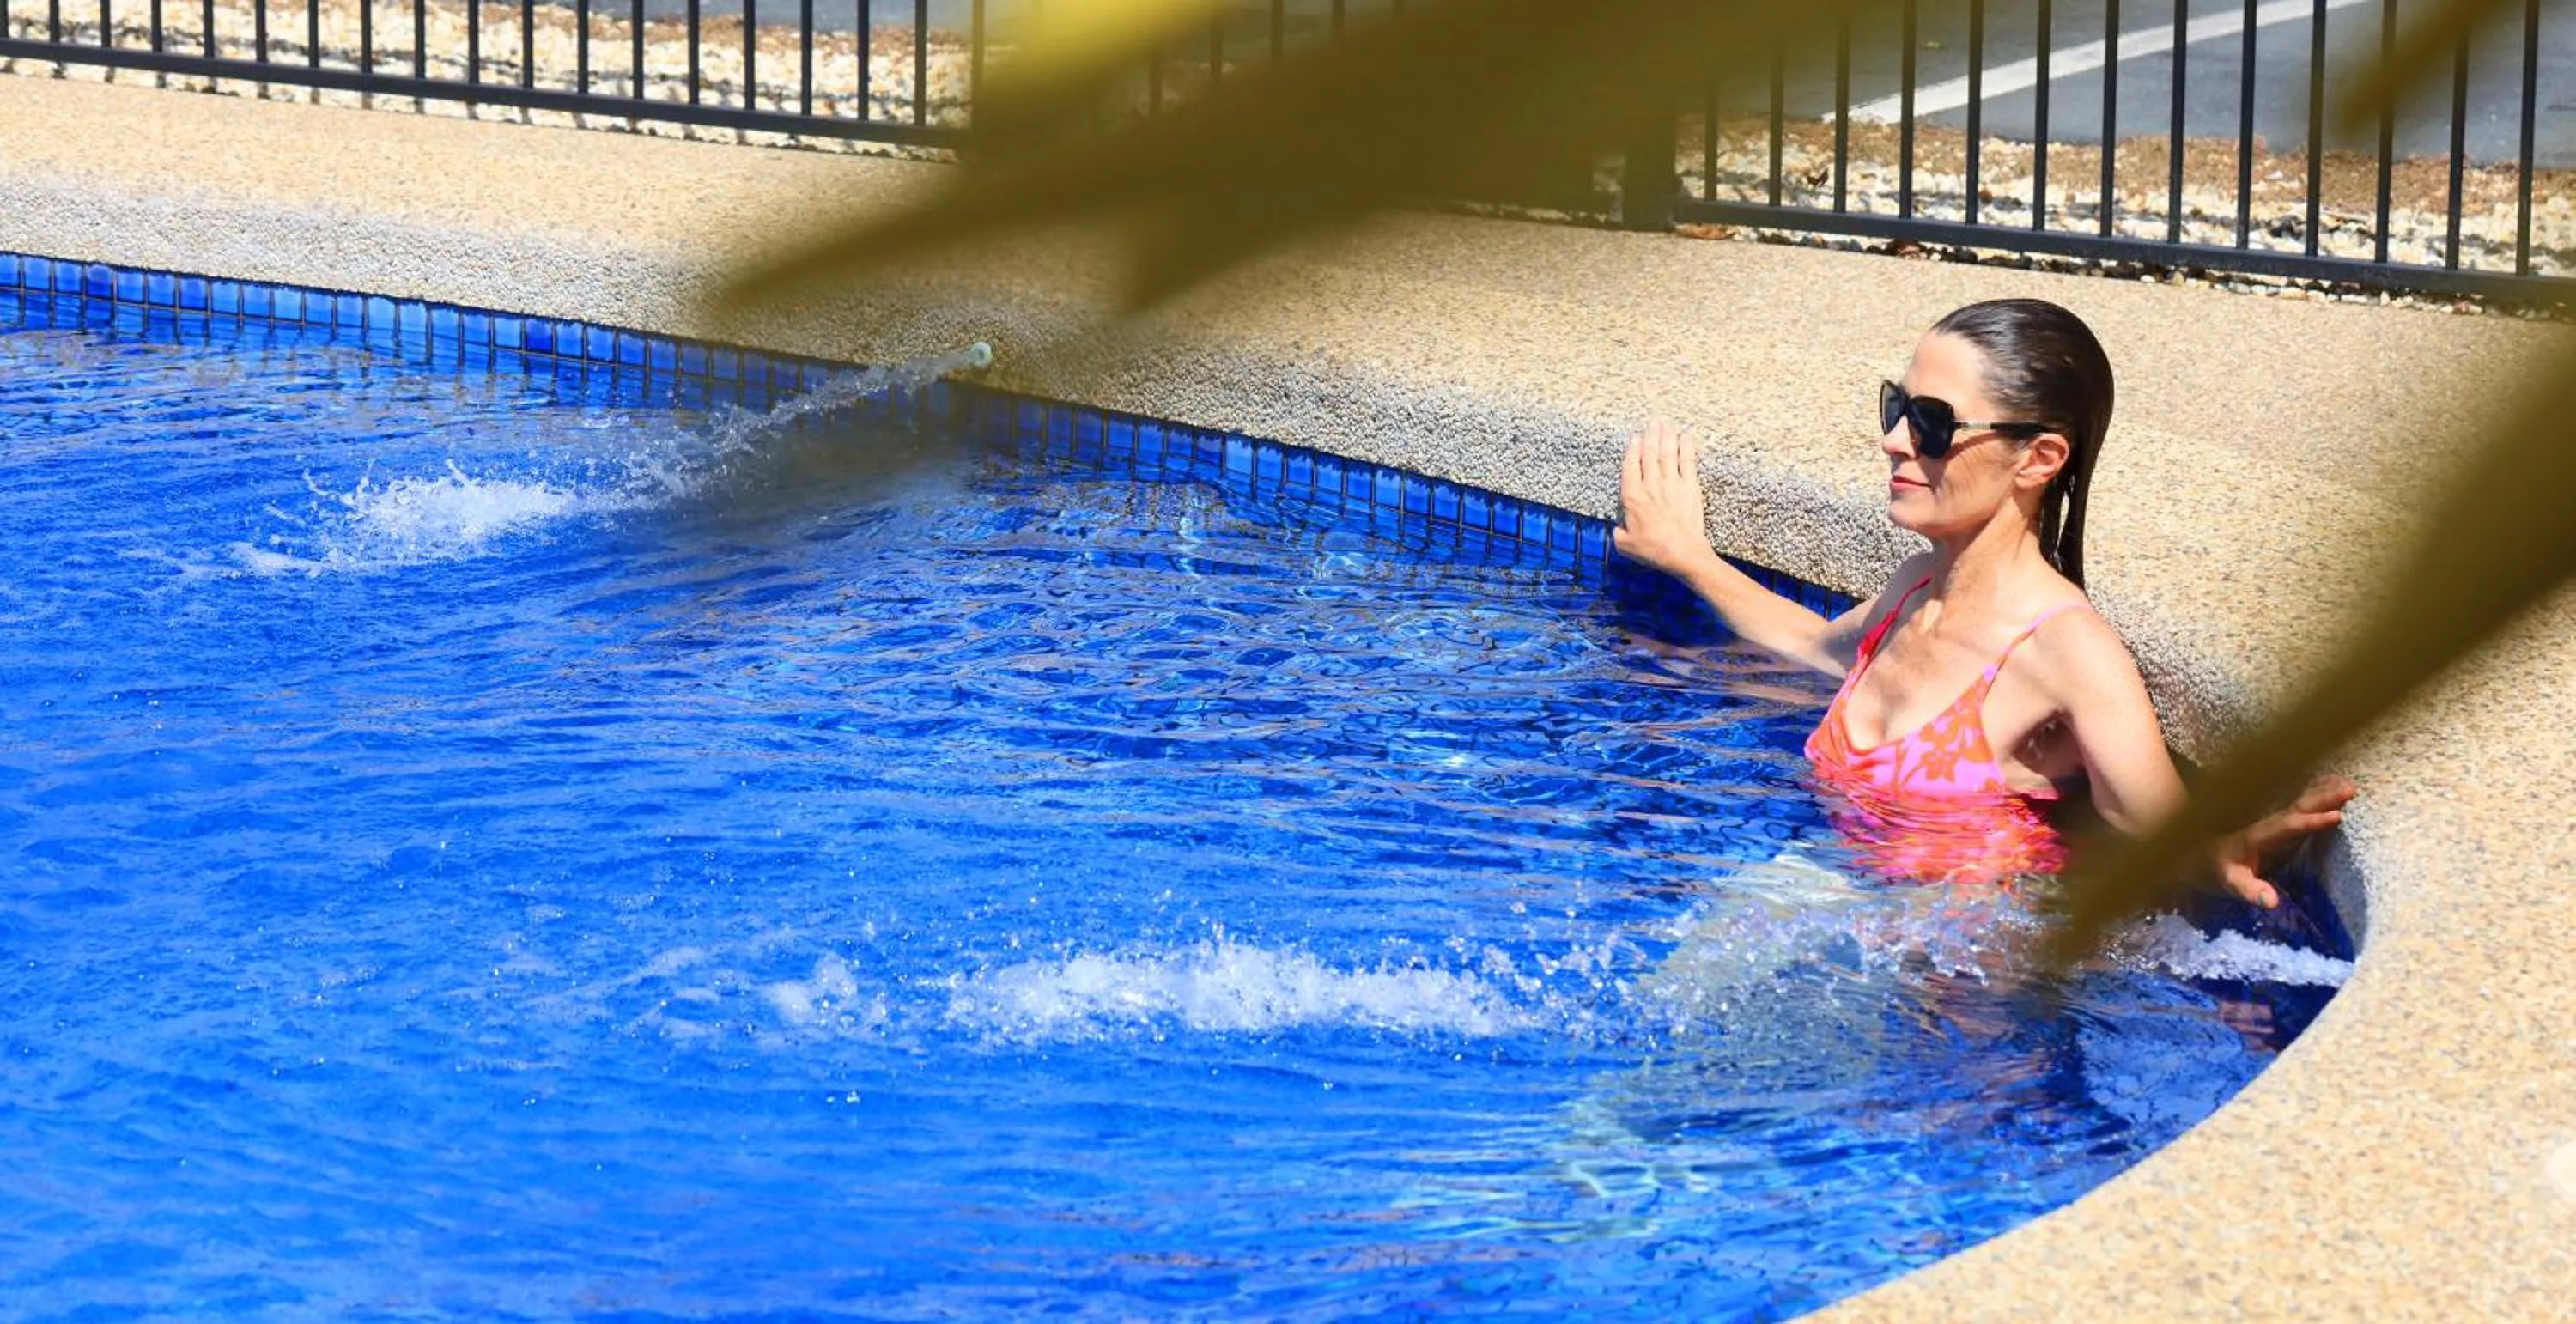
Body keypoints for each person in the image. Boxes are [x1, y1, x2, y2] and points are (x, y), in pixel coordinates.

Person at [1613, 297, 2352, 903]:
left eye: (1934, 424)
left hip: (1955, 1010)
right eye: (1897, 407)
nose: (1896, 441)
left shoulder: (2065, 650)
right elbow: (1809, 647)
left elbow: (2159, 833)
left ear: (2039, 458)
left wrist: (2230, 853)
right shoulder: (1914, 590)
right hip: (1831, 905)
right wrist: (1686, 556)